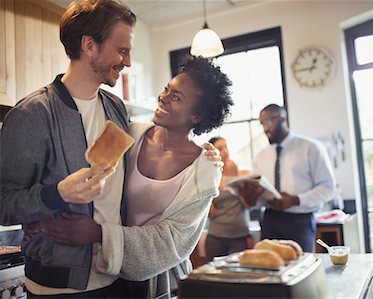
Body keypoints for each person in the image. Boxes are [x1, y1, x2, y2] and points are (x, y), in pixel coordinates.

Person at [0, 1, 220, 298]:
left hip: (115, 281)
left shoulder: (115, 108)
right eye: (121, 50)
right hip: (58, 286)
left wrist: (208, 156)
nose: (127, 62)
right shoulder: (32, 115)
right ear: (90, 46)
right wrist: (56, 194)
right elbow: (4, 202)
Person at [33, 56, 233, 298]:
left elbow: (173, 240)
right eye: (167, 89)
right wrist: (41, 213)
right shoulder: (127, 134)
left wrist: (99, 233)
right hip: (107, 275)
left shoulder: (204, 171)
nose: (164, 98)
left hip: (164, 286)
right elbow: (80, 175)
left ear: (196, 117)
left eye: (177, 98)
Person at [240, 104, 336, 252]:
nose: (265, 129)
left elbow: (328, 188)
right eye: (262, 124)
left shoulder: (310, 148)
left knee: (300, 267)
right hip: (269, 219)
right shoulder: (261, 156)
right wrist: (251, 199)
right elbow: (256, 190)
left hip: (299, 221)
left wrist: (295, 200)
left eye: (267, 122)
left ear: (282, 119)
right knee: (269, 268)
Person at [205, 137, 252, 262]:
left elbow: (248, 205)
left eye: (226, 146)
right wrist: (206, 194)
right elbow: (212, 214)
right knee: (216, 277)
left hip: (239, 234)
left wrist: (242, 189)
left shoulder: (237, 170)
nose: (225, 151)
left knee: (240, 277)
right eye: (220, 149)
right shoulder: (210, 176)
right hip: (217, 235)